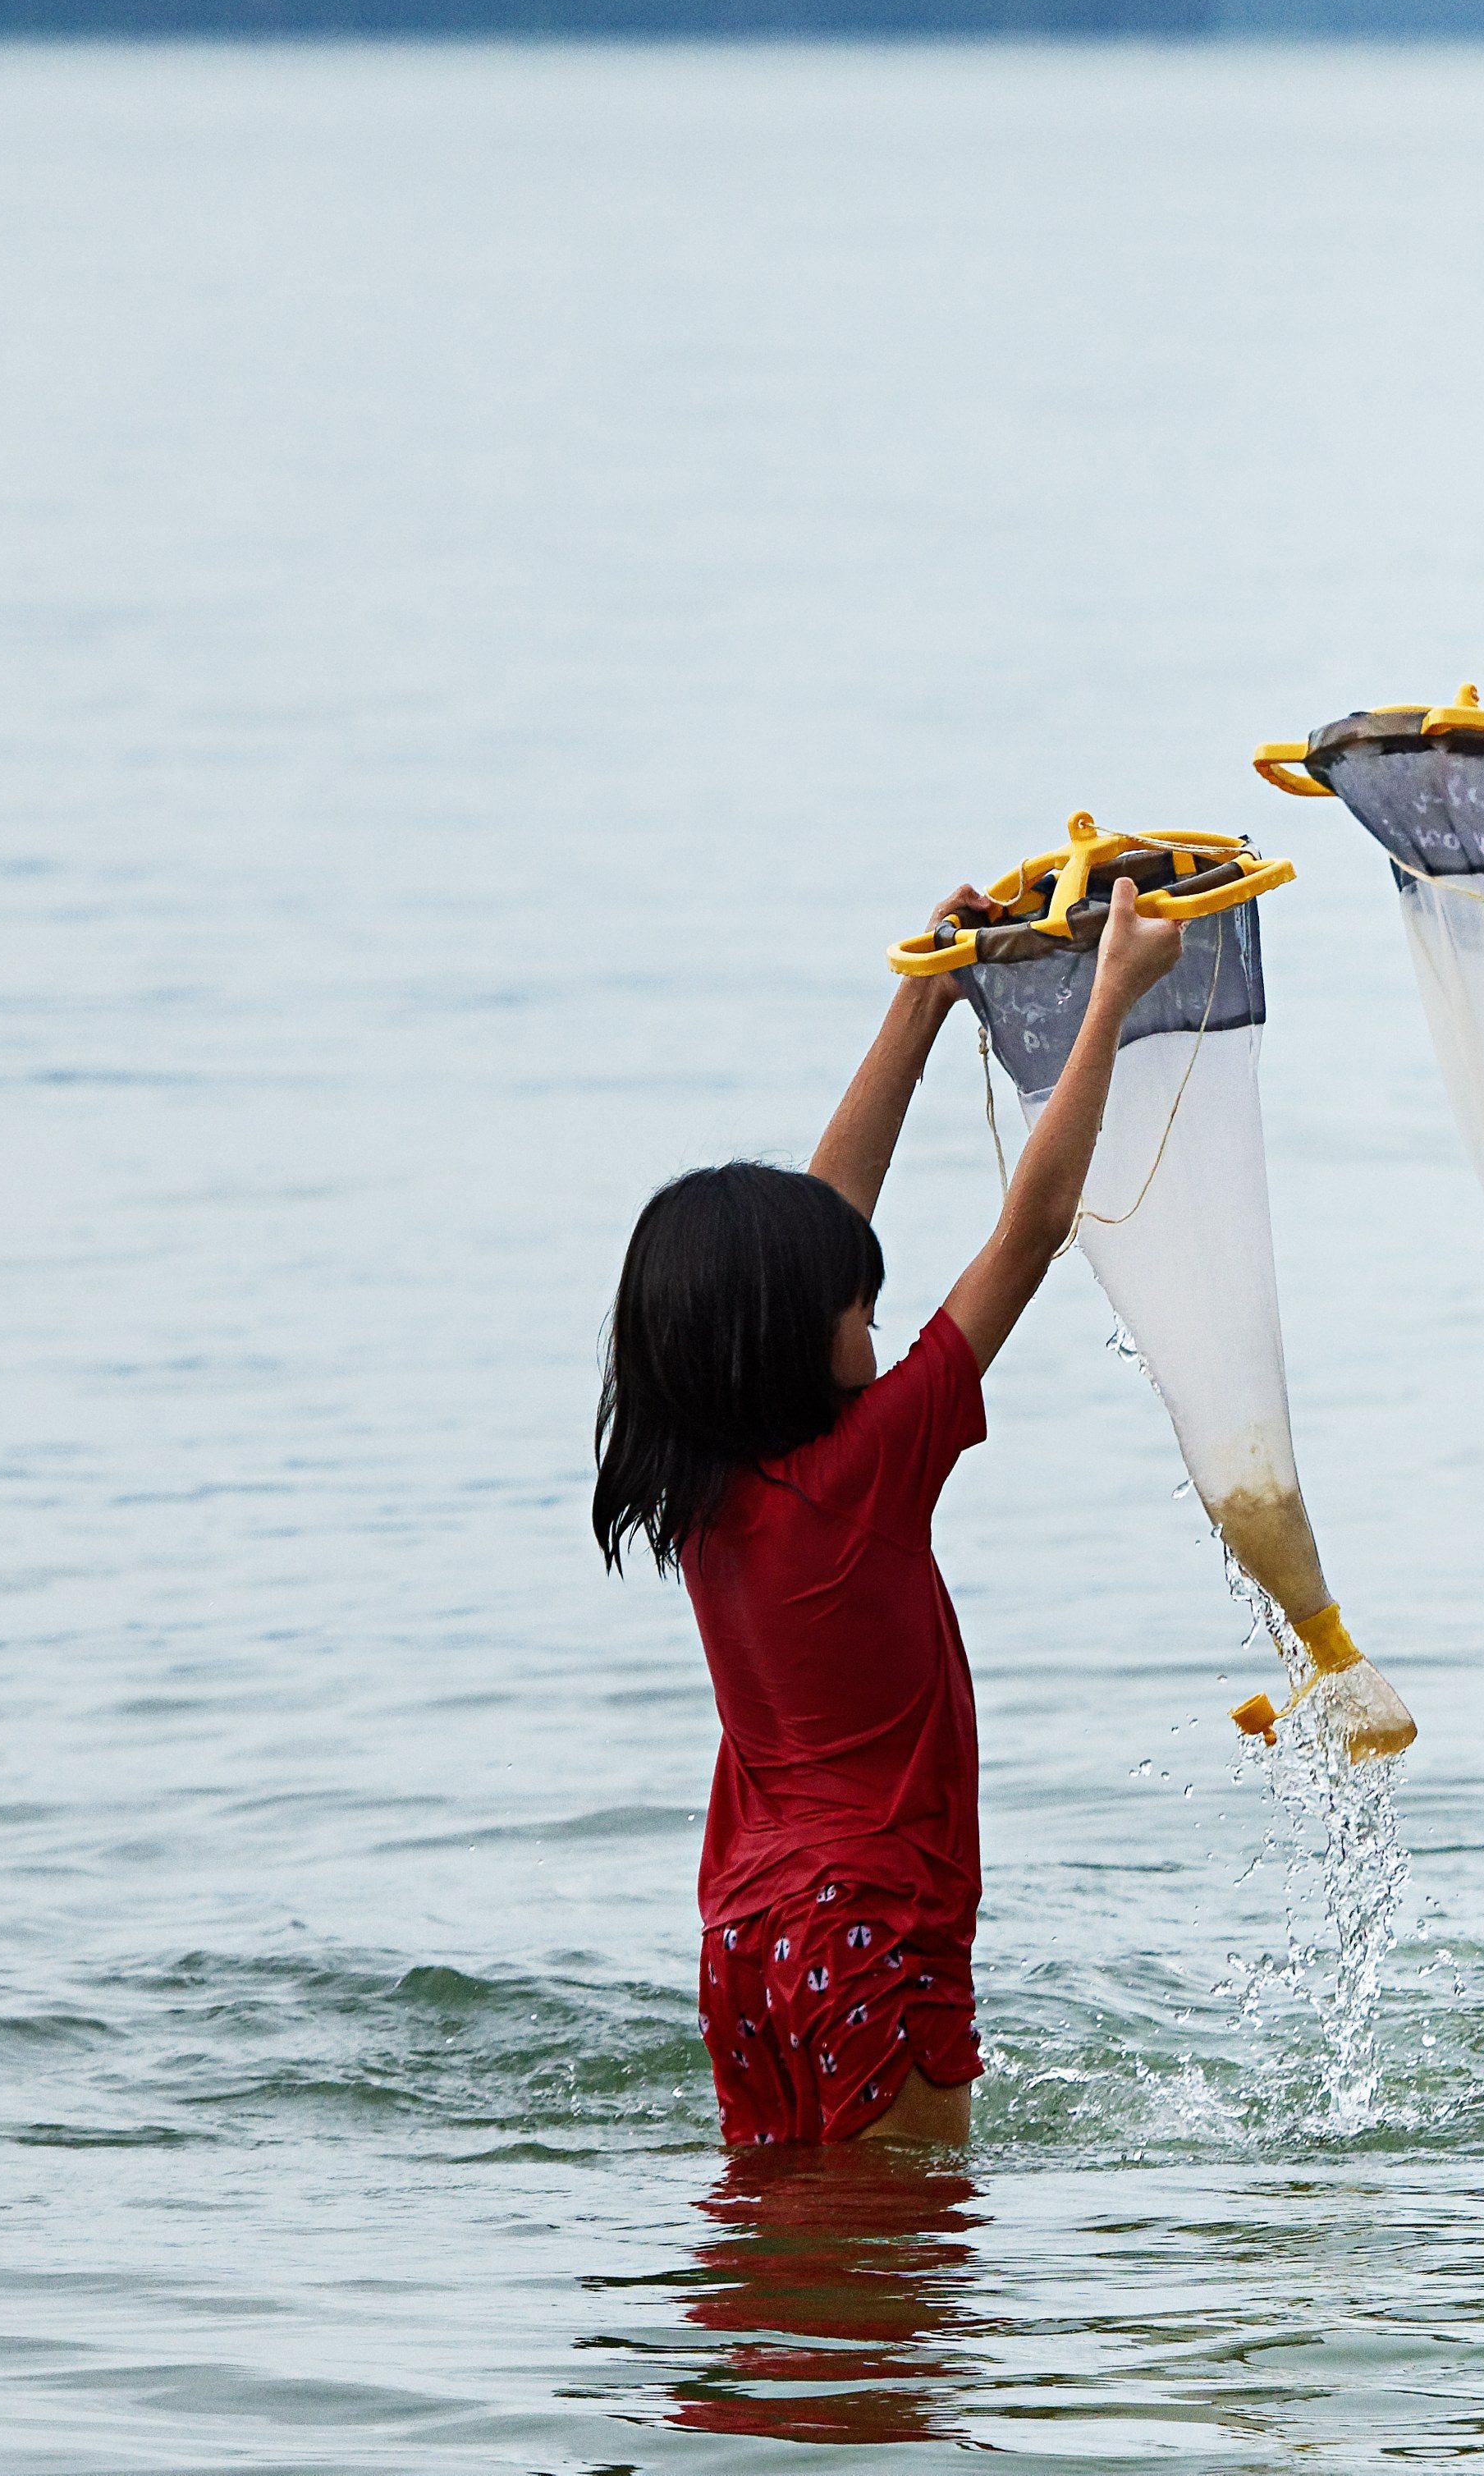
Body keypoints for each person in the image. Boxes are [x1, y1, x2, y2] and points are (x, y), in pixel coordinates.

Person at [591, 878, 1183, 2153]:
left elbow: (813, 1228)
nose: (873, 1313)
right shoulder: (867, 1465)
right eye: (858, 1303)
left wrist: (924, 996)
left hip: (745, 1935)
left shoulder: (695, 1481)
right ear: (793, 1336)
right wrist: (1114, 1002)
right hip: (872, 1923)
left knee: (780, 2248)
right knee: (897, 2274)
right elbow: (1029, 1230)